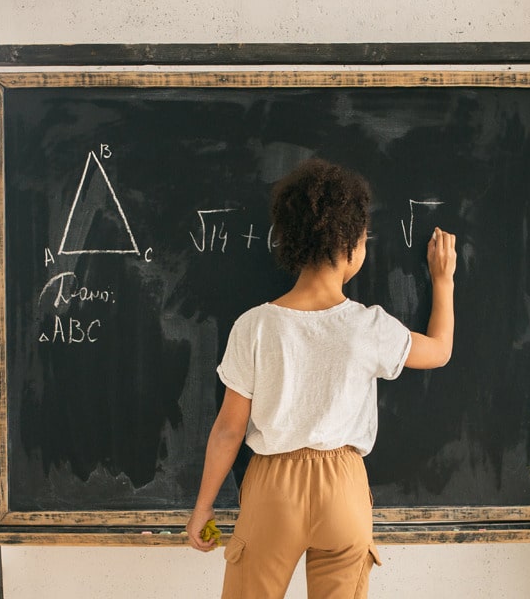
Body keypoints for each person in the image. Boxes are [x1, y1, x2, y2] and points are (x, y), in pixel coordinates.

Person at [186, 158, 456, 598]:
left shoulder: (255, 325)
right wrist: (442, 280)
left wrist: (202, 508)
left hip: (273, 487)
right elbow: (440, 351)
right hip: (344, 487)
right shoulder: (369, 326)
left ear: (291, 242)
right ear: (351, 245)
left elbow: (229, 429)